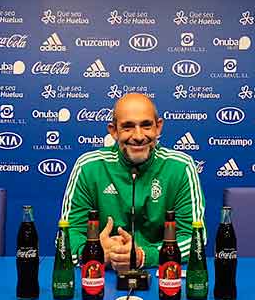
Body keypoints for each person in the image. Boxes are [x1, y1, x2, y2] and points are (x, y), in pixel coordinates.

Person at [60, 93, 205, 272]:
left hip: (160, 274)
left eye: (146, 125)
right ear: (113, 131)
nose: (138, 136)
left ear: (158, 127)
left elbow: (194, 240)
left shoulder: (181, 167)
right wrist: (93, 252)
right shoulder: (89, 167)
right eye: (128, 127)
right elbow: (68, 236)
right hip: (101, 277)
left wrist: (144, 255)